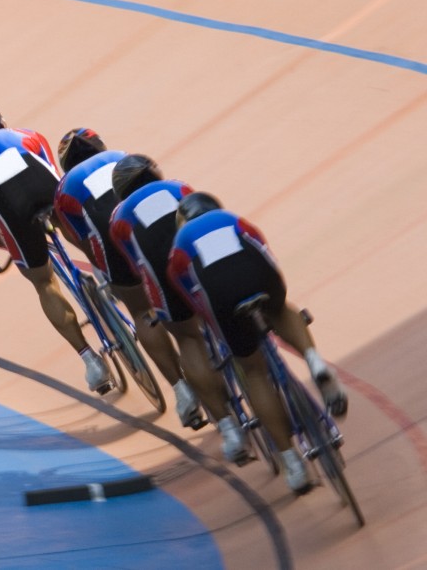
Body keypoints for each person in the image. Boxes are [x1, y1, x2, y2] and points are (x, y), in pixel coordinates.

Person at [167, 191, 348, 494]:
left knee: (252, 371)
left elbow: (195, 303)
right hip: (260, 276)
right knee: (280, 307)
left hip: (221, 296)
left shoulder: (178, 249)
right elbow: (267, 256)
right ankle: (315, 362)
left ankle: (293, 463)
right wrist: (273, 300)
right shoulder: (233, 219)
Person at [0, 104, 112, 394]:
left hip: (13, 211)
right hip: (46, 188)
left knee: (44, 282)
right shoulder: (27, 135)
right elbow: (58, 181)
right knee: (69, 222)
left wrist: (14, 243)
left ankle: (91, 362)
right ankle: (105, 275)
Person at [52, 128, 201, 426]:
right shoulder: (122, 158)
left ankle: (182, 390)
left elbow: (80, 238)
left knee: (143, 311)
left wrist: (100, 267)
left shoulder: (65, 188)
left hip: (114, 244)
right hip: (160, 227)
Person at [108, 154, 247, 463]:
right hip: (207, 257)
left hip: (163, 274)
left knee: (187, 338)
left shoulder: (119, 217)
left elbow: (136, 266)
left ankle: (229, 429)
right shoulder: (179, 187)